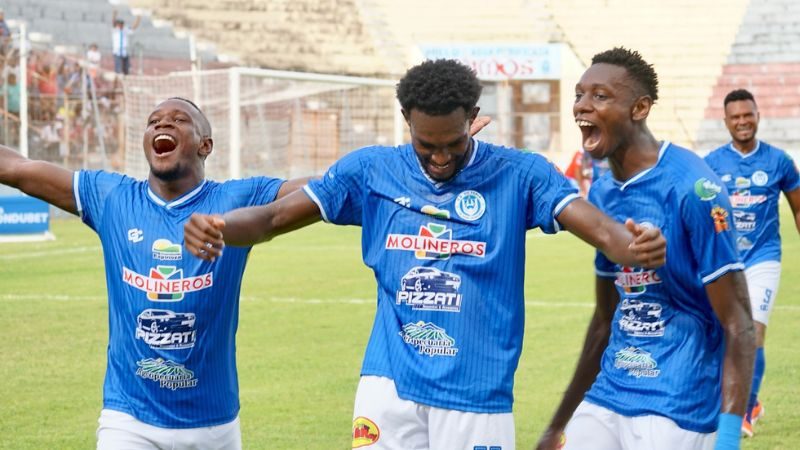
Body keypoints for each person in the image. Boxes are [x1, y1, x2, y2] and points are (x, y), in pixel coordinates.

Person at [184, 59, 667, 450]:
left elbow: (602, 230)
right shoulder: (371, 170)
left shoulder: (520, 174)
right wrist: (222, 226)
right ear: (406, 123)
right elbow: (271, 219)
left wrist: (636, 245)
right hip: (388, 386)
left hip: (476, 392)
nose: (439, 158)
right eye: (425, 145)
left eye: (454, 144)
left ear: (473, 117)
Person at [0, 97, 313, 449]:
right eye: (154, 121)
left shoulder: (237, 198)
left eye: (179, 120)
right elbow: (20, 169)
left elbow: (322, 190)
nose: (162, 125)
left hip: (213, 425)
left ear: (205, 145)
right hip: (129, 421)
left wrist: (371, 174)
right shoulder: (113, 198)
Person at [535, 48, 754, 450]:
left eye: (600, 96)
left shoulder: (694, 188)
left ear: (639, 108)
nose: (582, 105)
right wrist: (556, 424)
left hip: (678, 399)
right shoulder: (601, 192)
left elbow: (739, 323)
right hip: (611, 390)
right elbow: (605, 317)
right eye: (580, 94)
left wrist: (727, 439)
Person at [703, 88, 800, 438]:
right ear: (726, 121)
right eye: (735, 117)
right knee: (719, 335)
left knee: (753, 332)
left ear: (758, 116)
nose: (742, 122)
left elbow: (798, 208)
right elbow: (701, 211)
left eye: (748, 115)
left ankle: (747, 407)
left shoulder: (779, 161)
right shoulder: (712, 163)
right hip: (725, 261)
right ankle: (734, 403)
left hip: (763, 259)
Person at [111, 10, 140, 75]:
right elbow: (113, 23)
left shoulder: (125, 30)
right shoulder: (115, 30)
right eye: (119, 24)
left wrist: (138, 18)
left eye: (122, 24)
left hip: (125, 51)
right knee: (118, 69)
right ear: (117, 24)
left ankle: (126, 77)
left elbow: (133, 27)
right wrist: (114, 15)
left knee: (126, 69)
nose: (120, 25)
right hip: (117, 51)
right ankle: (118, 76)